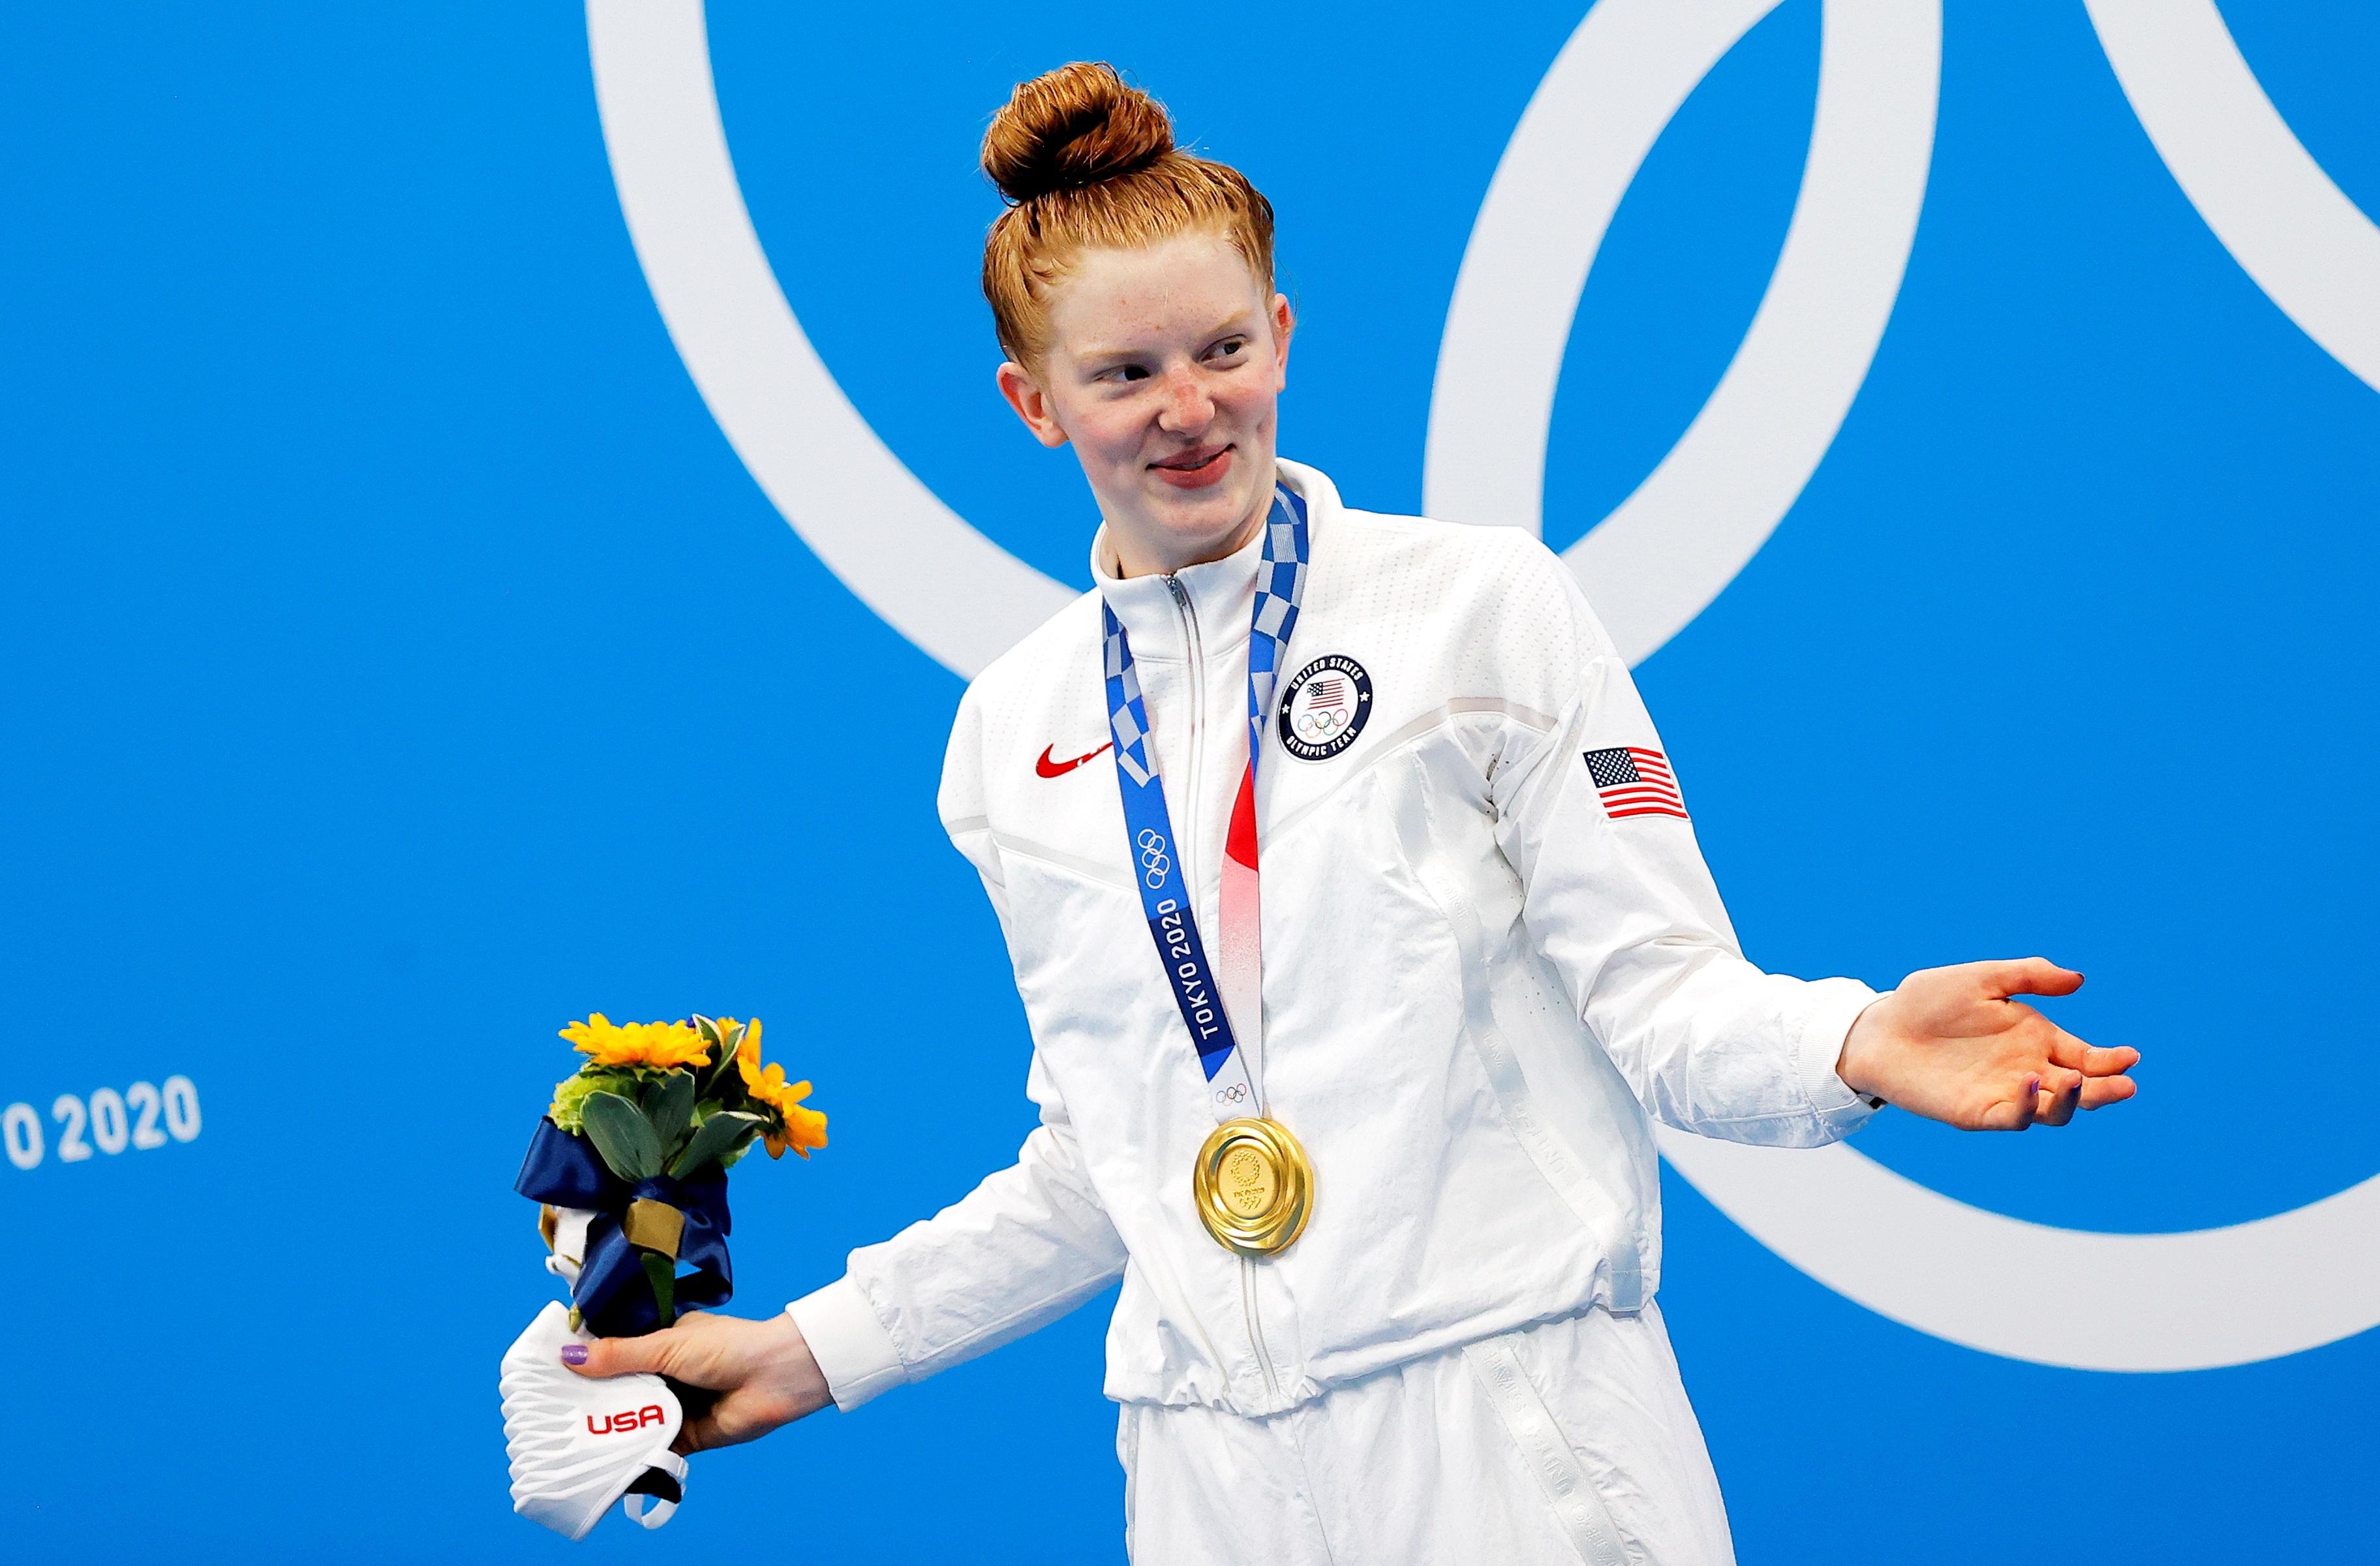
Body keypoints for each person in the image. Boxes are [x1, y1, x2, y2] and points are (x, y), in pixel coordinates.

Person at [561, 62, 2139, 1564]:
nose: (1189, 407)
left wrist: (1852, 1041)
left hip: (1512, 1430)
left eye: (1224, 349)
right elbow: (1104, 1163)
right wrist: (811, 1355)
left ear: (1285, 334)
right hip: (1203, 1473)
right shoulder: (1010, 737)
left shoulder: (1480, 610)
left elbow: (1666, 1004)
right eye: (1124, 373)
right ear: (1034, 403)